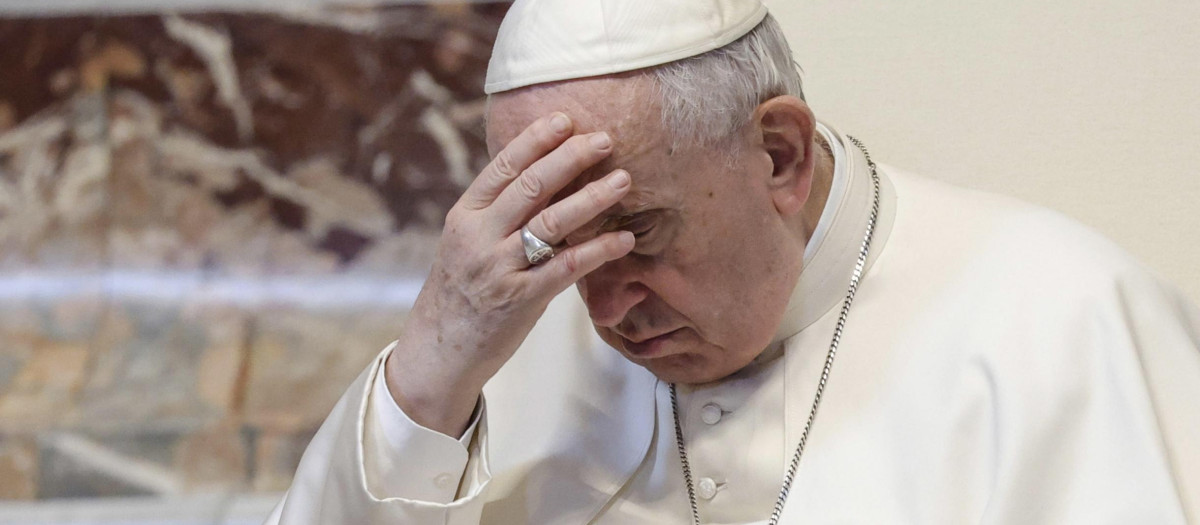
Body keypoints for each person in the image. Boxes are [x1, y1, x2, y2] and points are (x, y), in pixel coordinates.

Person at [265, 0, 1200, 523]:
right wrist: (435, 359)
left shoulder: (1065, 319)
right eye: (562, 242)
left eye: (639, 231)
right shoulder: (510, 330)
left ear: (780, 155)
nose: (604, 307)